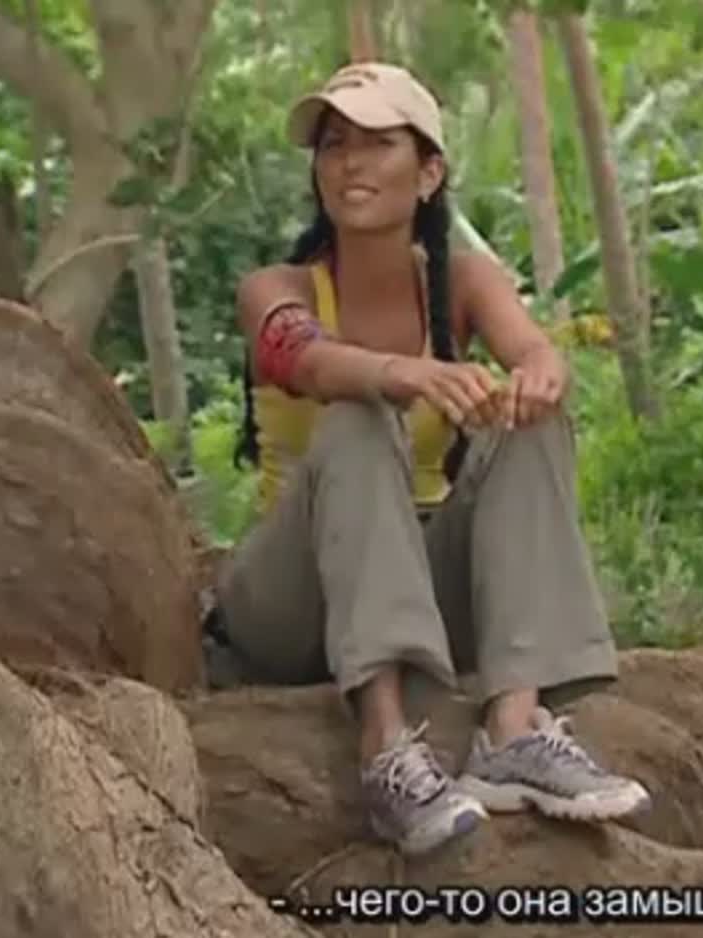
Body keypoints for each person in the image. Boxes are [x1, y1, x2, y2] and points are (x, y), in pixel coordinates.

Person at [207, 61, 651, 857]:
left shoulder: (467, 281)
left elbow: (536, 352)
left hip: (420, 586)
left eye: (378, 143)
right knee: (357, 416)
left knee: (531, 423)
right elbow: (302, 358)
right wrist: (405, 375)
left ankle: (513, 728)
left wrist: (540, 377)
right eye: (334, 144)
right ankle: (386, 749)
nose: (350, 161)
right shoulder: (278, 286)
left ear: (429, 173)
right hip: (290, 600)